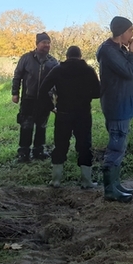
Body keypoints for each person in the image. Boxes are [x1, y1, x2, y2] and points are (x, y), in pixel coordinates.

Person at [37, 45, 101, 188]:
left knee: (60, 146)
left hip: (63, 114)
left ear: (66, 56)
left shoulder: (58, 69)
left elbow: (43, 89)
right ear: (80, 56)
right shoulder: (88, 70)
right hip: (83, 114)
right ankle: (86, 181)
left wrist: (50, 106)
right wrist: (85, 95)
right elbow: (98, 92)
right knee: (84, 146)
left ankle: (56, 180)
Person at [95, 16, 133, 203]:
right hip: (116, 105)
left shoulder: (116, 49)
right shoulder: (109, 51)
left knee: (120, 145)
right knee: (116, 146)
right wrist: (132, 53)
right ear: (122, 32)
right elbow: (129, 72)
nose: (132, 34)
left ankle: (116, 185)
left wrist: (127, 52)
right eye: (130, 30)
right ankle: (110, 190)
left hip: (121, 104)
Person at [12, 32, 58, 162]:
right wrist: (15, 93)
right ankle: (23, 153)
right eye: (44, 42)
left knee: (41, 126)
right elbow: (17, 76)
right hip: (28, 98)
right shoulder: (26, 58)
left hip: (45, 100)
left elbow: (57, 82)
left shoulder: (53, 61)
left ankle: (39, 151)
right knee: (26, 126)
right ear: (37, 44)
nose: (47, 45)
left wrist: (56, 100)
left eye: (48, 43)